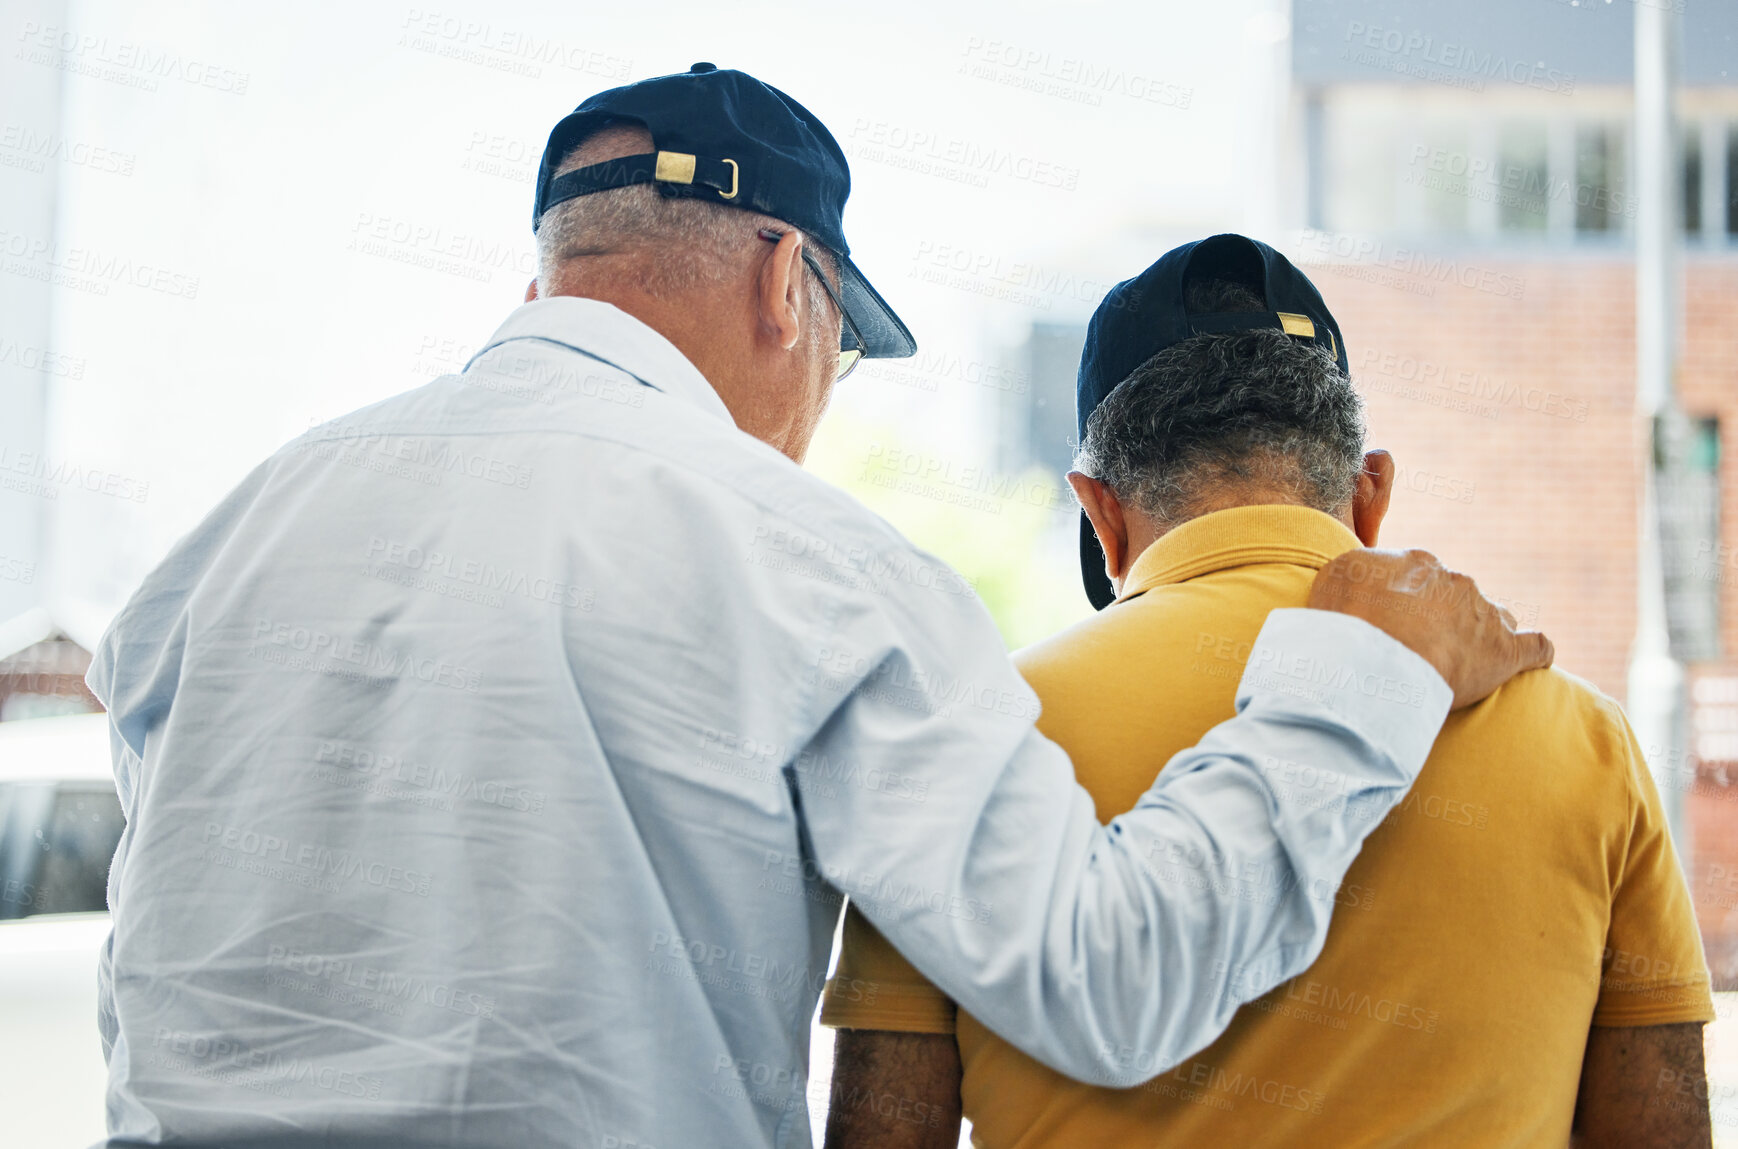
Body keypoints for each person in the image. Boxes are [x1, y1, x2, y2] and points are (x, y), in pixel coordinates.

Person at [85, 67, 1548, 1149]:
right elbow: (1109, 975)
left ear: (546, 272)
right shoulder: (805, 566)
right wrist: (1359, 672)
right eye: (844, 351)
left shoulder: (216, 552)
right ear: (792, 286)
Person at [819, 234, 1712, 1149]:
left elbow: (884, 1130)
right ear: (1371, 493)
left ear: (1100, 512)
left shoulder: (974, 736)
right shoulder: (1585, 740)